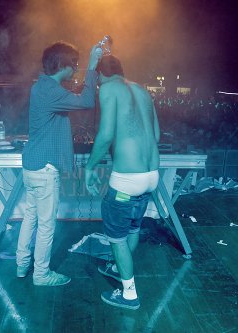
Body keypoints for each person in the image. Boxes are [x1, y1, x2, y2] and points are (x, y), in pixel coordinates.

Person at [16, 41, 102, 286]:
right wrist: (93, 65)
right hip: (45, 168)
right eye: (74, 64)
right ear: (63, 64)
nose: (76, 68)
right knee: (45, 225)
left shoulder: (41, 87)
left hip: (32, 165)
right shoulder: (51, 91)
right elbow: (87, 101)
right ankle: (41, 275)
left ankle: (22, 265)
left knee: (30, 218)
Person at [85, 55, 160, 309]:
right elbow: (157, 134)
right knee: (132, 229)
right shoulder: (142, 91)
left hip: (127, 180)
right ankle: (119, 270)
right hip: (151, 176)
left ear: (99, 75)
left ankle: (129, 294)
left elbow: (105, 135)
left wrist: (90, 166)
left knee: (116, 238)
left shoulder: (107, 89)